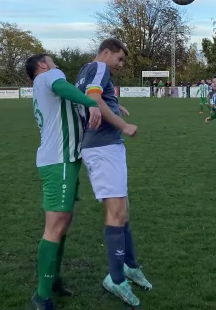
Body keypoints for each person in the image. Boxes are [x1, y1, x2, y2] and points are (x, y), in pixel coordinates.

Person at [75, 38, 152, 307]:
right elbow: (93, 99)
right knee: (116, 212)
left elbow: (93, 99)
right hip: (103, 147)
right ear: (106, 52)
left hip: (105, 148)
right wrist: (123, 124)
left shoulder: (86, 70)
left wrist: (115, 105)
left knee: (123, 209)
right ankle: (116, 279)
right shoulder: (99, 67)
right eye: (119, 59)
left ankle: (129, 266)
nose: (120, 65)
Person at [25, 54, 101, 310]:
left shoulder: (43, 85)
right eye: (52, 61)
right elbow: (62, 87)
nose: (56, 64)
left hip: (61, 161)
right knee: (55, 226)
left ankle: (53, 279)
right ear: (42, 66)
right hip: (59, 162)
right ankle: (42, 294)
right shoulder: (49, 77)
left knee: (62, 223)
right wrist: (92, 103)